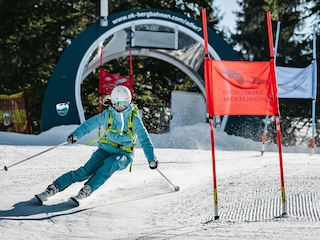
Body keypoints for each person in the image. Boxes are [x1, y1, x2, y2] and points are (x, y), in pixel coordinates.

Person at [35, 85, 158, 206]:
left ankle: (88, 189)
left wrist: (151, 158)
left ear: (129, 102)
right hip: (104, 150)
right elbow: (89, 125)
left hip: (124, 154)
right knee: (84, 172)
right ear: (113, 102)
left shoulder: (134, 119)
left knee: (113, 162)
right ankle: (53, 188)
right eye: (117, 103)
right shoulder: (107, 115)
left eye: (124, 103)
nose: (120, 107)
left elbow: (145, 140)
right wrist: (76, 135)